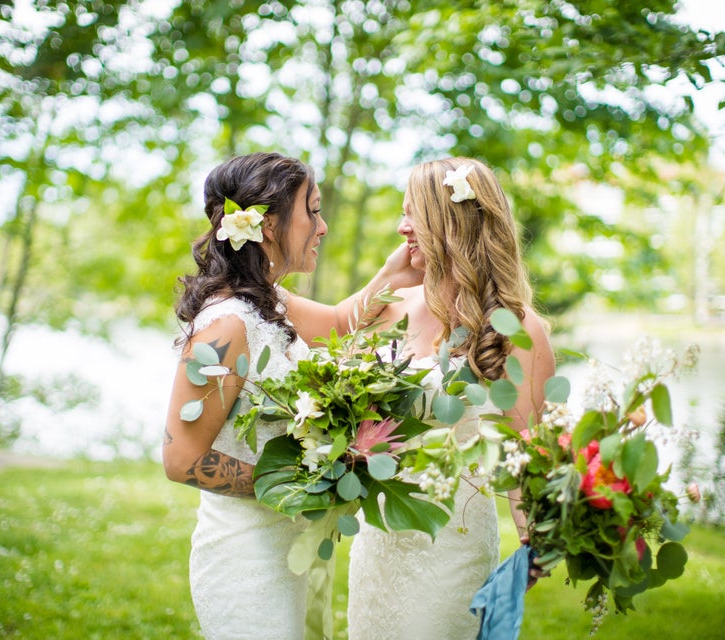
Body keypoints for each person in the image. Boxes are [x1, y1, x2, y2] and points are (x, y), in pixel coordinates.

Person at [163, 151, 416, 639]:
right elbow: (182, 459)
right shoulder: (226, 324)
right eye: (313, 210)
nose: (322, 227)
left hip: (285, 546)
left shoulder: (265, 302)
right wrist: (304, 483)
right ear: (272, 223)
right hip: (244, 558)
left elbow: (342, 325)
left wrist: (395, 273)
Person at [345, 157, 556, 640]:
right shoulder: (391, 307)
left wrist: (534, 537)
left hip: (452, 548)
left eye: (412, 214)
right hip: (380, 542)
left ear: (452, 223)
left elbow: (523, 448)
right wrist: (383, 278)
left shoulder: (518, 327)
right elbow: (336, 379)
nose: (401, 228)